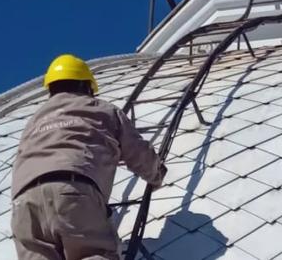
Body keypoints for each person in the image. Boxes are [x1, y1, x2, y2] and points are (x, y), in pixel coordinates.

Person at [10, 54, 167, 259]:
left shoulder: (34, 120)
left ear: (50, 89)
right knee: (95, 253)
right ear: (87, 86)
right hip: (73, 189)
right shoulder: (102, 109)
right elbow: (136, 151)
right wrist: (156, 174)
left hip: (24, 202)